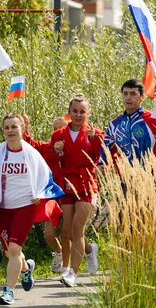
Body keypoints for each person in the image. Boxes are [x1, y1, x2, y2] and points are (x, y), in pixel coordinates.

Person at [0, 113, 64, 305]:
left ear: (22, 128)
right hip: (3, 208)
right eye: (6, 128)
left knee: (14, 249)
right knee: (10, 253)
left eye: (14, 127)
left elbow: (44, 175)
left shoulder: (31, 153)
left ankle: (9, 291)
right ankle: (26, 269)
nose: (10, 131)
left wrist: (38, 194)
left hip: (25, 207)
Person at [51, 95, 103, 288]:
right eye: (75, 111)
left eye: (82, 111)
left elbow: (102, 157)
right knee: (66, 231)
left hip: (86, 183)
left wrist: (95, 141)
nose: (78, 115)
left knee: (77, 228)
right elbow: (52, 160)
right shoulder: (58, 135)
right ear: (69, 113)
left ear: (88, 113)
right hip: (66, 183)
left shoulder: (95, 133)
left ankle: (72, 273)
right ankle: (86, 253)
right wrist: (55, 151)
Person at [22, 115, 67, 274]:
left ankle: (79, 258)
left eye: (62, 128)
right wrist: (24, 127)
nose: (58, 132)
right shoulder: (46, 147)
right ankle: (60, 252)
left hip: (69, 196)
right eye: (55, 129)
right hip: (51, 198)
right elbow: (29, 145)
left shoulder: (76, 150)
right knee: (49, 235)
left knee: (71, 232)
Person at [102, 79, 156, 165]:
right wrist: (101, 166)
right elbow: (104, 151)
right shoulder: (115, 124)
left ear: (142, 97)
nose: (128, 97)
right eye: (125, 94)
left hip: (152, 175)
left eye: (133, 94)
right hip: (123, 176)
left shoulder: (153, 120)